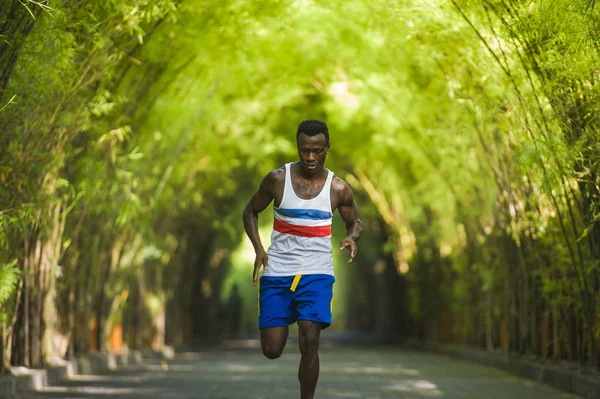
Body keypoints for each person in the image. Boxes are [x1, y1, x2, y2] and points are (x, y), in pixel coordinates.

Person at [242, 119, 363, 399]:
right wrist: (259, 248)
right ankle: (291, 314)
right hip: (278, 271)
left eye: (317, 151)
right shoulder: (277, 180)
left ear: (327, 149)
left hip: (317, 272)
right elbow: (250, 211)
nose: (310, 157)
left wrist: (351, 238)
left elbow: (356, 222)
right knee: (272, 350)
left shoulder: (338, 189)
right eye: (304, 150)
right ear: (297, 147)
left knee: (310, 339)